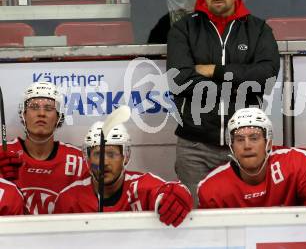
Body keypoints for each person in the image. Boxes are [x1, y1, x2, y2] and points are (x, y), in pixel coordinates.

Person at [166, 0, 280, 202]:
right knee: (195, 225)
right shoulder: (182, 29)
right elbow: (180, 80)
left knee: (245, 225)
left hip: (245, 146)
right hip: (194, 146)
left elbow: (266, 76)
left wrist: (214, 71)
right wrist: (241, 81)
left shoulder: (259, 29)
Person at [198, 108, 306, 238]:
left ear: (269, 142)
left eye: (255, 138)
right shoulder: (211, 187)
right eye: (240, 139)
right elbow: (207, 239)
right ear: (232, 146)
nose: (247, 145)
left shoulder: (295, 162)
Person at [53, 121, 192, 227]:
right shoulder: (69, 199)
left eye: (111, 154)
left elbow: (167, 191)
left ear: (125, 156)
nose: (104, 162)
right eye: (97, 154)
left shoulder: (142, 186)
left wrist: (178, 193)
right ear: (87, 158)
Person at [0, 82, 87, 214]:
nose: (41, 113)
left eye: (48, 108)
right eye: (34, 107)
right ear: (23, 114)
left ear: (59, 116)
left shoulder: (78, 160)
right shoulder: (4, 154)